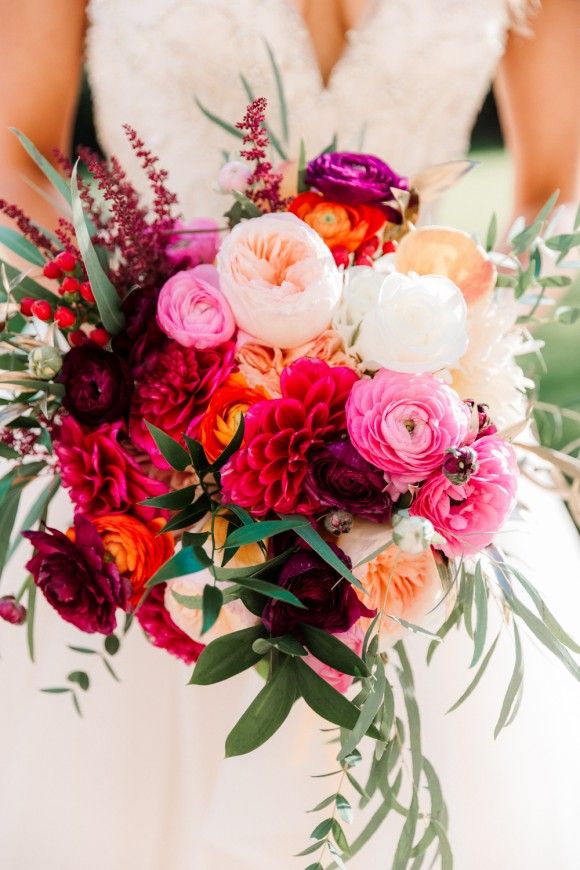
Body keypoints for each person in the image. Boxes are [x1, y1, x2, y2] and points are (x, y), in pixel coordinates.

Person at [0, 2, 579, 868]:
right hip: (159, 456)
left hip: (428, 457)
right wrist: (135, 333)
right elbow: (16, 151)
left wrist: (439, 349)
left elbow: (560, 181)